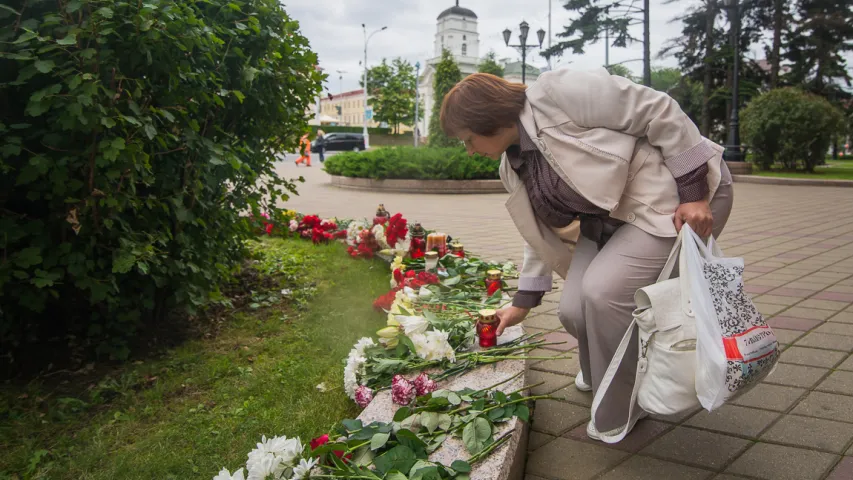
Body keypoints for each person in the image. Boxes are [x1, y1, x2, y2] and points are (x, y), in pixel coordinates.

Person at [439, 70, 733, 441]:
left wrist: (692, 192)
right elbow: (537, 233)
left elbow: (658, 109)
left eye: (468, 139)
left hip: (671, 199)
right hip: (610, 221)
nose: (469, 150)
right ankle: (603, 374)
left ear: (488, 119)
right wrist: (522, 302)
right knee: (573, 309)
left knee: (603, 293)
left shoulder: (558, 91)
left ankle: (623, 406)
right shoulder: (510, 166)